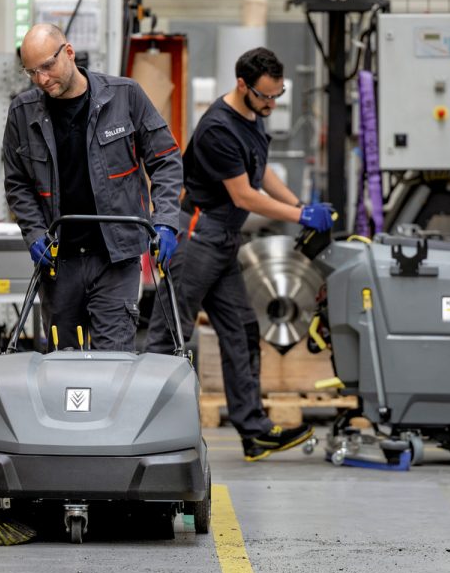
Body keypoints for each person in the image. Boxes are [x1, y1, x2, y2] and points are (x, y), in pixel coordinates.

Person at [143, 47, 335, 462]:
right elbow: (244, 194)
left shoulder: (252, 116)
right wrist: (300, 215)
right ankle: (145, 433)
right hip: (198, 237)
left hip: (224, 240)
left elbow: (261, 173)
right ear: (242, 85)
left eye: (277, 95)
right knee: (169, 334)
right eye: (265, 96)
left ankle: (254, 432)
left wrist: (299, 205)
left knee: (242, 331)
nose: (271, 104)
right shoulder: (218, 129)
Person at [2, 24, 182, 352]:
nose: (41, 79)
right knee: (62, 367)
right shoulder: (22, 113)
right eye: (31, 72)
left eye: (47, 66)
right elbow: (17, 183)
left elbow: (166, 159)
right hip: (60, 263)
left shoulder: (125, 96)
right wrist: (34, 231)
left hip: (115, 259)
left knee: (113, 364)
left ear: (69, 53)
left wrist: (166, 221)